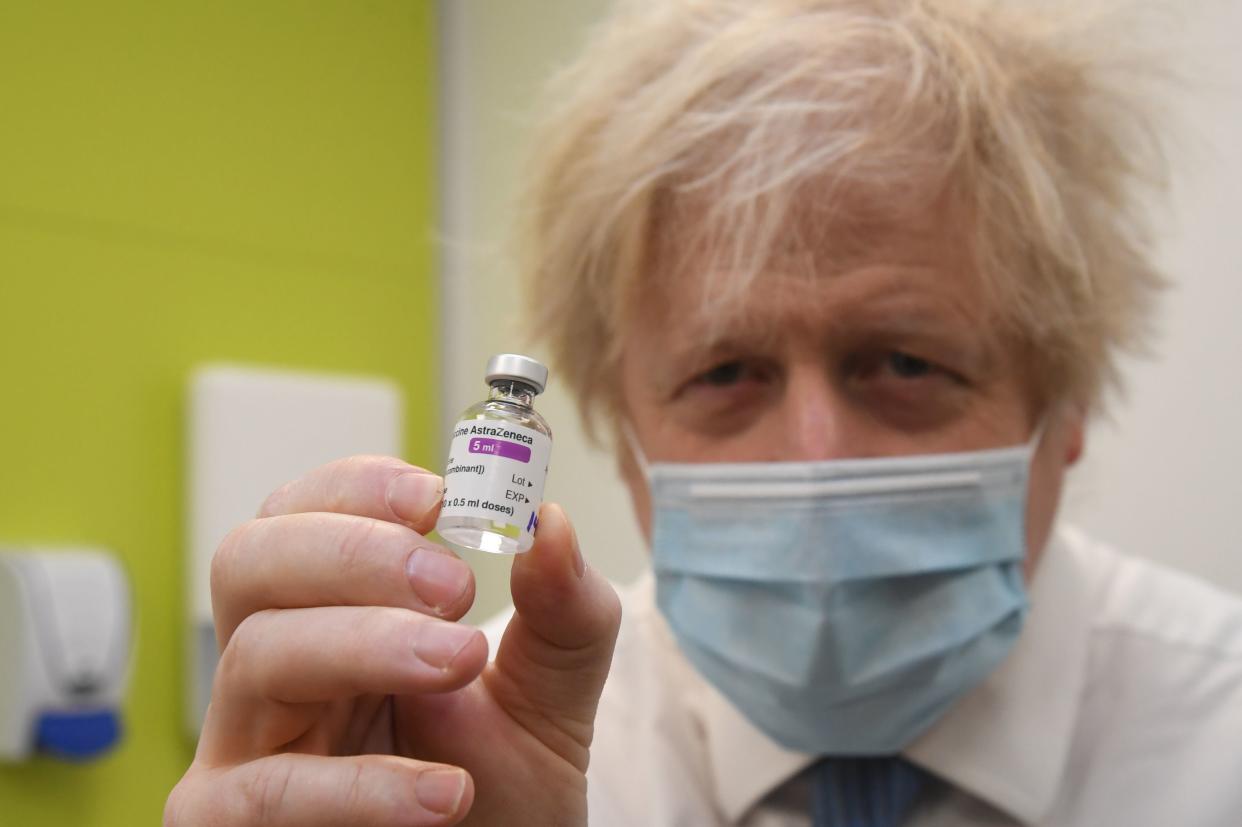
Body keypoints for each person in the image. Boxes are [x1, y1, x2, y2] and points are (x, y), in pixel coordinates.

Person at [165, 1, 1242, 825]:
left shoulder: (1218, 740)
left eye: (904, 361)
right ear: (624, 441)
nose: (811, 461)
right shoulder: (452, 739)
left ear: (1068, 405)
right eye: (726, 373)